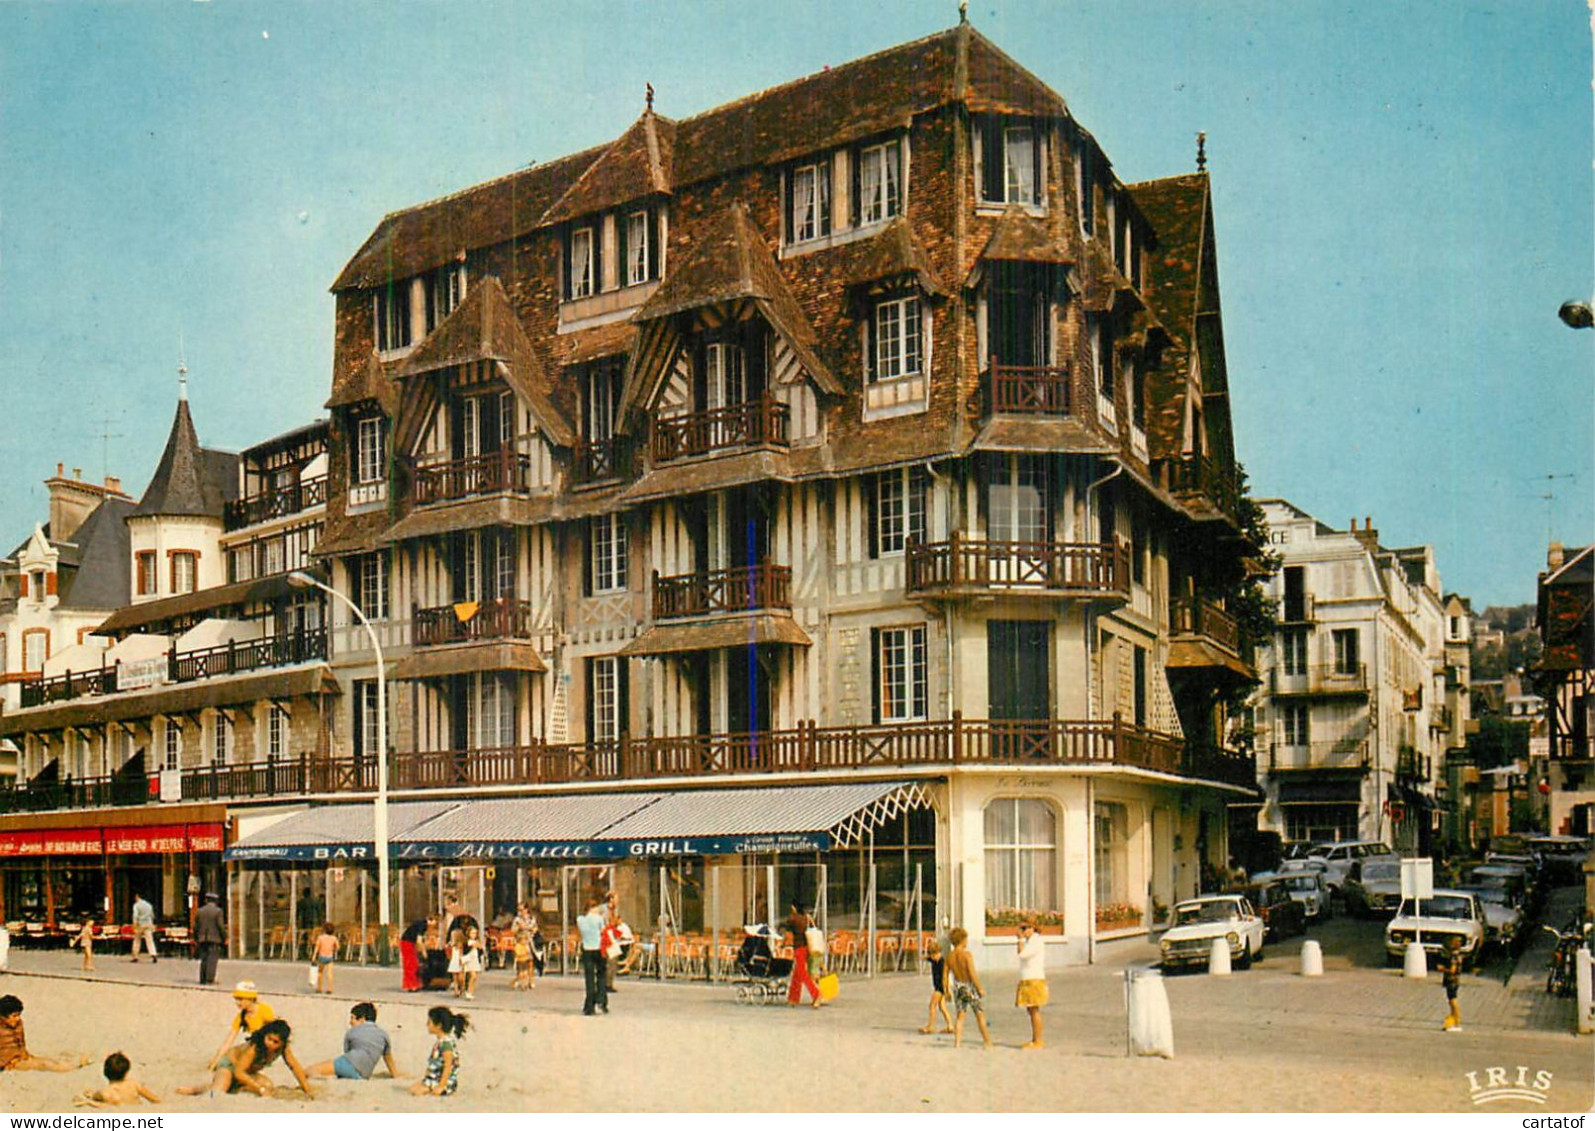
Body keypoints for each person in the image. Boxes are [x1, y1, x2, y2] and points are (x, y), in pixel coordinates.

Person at [177, 1019, 313, 1098]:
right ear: (265, 1035)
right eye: (269, 1039)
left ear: (282, 1042)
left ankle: (236, 1087)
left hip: (247, 1072)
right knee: (217, 1092)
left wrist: (307, 1089)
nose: (271, 1044)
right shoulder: (254, 1048)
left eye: (276, 1042)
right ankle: (194, 1090)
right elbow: (238, 1072)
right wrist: (258, 1089)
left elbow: (294, 1067)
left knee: (269, 1086)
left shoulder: (284, 1049)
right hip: (230, 1066)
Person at [306, 1002, 400, 1080]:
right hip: (363, 1075)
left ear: (362, 1019)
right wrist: (395, 1075)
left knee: (311, 1070)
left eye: (352, 1018)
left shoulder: (351, 1031)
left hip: (349, 1063)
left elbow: (347, 1053)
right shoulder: (384, 1034)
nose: (350, 1022)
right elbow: (389, 1060)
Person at [0, 995, 90, 1071]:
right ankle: (73, 1068)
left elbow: (21, 1042)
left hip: (20, 1056)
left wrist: (23, 1053)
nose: (18, 1018)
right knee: (44, 1065)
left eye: (19, 1015)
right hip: (9, 1063)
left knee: (47, 1060)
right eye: (14, 1016)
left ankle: (77, 1062)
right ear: (3, 1016)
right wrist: (7, 1062)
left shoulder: (18, 1023)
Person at [207, 982, 276, 1073]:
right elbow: (228, 1042)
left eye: (240, 999)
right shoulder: (241, 1016)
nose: (237, 1003)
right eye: (236, 999)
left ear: (251, 999)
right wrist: (214, 1062)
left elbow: (276, 1031)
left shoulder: (265, 1011)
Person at [944, 928, 993, 1049]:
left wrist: (946, 991)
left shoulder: (949, 957)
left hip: (958, 987)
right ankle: (987, 1042)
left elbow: (944, 976)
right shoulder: (966, 955)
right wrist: (979, 988)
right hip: (969, 986)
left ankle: (957, 1042)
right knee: (979, 1014)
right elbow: (972, 973)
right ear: (962, 940)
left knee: (960, 1016)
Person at [410, 1006, 469, 1097]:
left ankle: (440, 1089)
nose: (427, 1025)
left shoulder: (446, 1044)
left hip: (442, 1080)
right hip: (434, 1077)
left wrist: (441, 1085)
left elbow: (448, 1066)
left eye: (429, 1022)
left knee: (417, 1091)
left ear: (439, 1025)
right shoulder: (441, 1041)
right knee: (413, 1088)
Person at [74, 1052, 159, 1106]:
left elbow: (97, 1099)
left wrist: (89, 1099)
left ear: (105, 1073)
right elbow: (156, 1100)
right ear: (126, 1072)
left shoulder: (105, 1093)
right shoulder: (134, 1085)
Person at [1014, 918, 1048, 1049]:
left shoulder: (1036, 940)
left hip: (1034, 978)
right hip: (1027, 977)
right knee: (1030, 1009)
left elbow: (1022, 954)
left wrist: (1020, 940)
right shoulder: (1031, 941)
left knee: (1034, 1009)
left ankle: (1038, 1040)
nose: (1022, 931)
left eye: (1025, 928)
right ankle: (1035, 1039)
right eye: (1021, 928)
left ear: (1032, 928)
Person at [784, 901, 824, 1008]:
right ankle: (793, 998)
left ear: (794, 908)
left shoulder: (793, 919)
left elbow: (787, 931)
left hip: (799, 948)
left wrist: (783, 943)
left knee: (802, 973)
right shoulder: (807, 918)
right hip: (808, 947)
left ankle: (816, 994)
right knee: (797, 973)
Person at [577, 893, 609, 1016]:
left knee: (589, 978)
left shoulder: (580, 919)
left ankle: (589, 1005)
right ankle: (601, 998)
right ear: (594, 908)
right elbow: (603, 931)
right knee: (601, 975)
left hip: (587, 949)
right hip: (598, 948)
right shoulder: (598, 919)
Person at [919, 938, 952, 1034]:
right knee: (942, 1007)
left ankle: (930, 1026)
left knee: (932, 1005)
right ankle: (950, 1025)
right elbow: (928, 958)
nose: (932, 958)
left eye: (933, 955)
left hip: (940, 988)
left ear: (937, 953)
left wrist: (946, 991)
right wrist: (924, 957)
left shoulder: (942, 963)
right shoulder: (934, 960)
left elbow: (944, 978)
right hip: (938, 987)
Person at [195, 893, 225, 986]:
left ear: (206, 900)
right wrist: (225, 936)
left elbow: (196, 926)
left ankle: (202, 978)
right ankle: (210, 979)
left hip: (202, 938)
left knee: (204, 958)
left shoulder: (200, 911)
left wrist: (196, 937)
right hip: (214, 938)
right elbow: (220, 926)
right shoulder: (218, 911)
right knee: (212, 959)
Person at [399, 915, 433, 993]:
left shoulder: (422, 924)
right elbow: (419, 941)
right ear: (431, 920)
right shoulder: (422, 925)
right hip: (407, 943)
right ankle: (411, 985)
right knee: (410, 964)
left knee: (414, 964)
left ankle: (415, 984)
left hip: (410, 943)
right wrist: (423, 952)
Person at [1438, 934, 1464, 1032]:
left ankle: (1456, 1022)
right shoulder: (1459, 955)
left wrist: (1443, 969)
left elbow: (1452, 970)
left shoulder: (1453, 956)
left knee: (1453, 1000)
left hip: (1451, 980)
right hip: (1455, 980)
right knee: (1452, 1000)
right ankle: (1453, 1020)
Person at [129, 893, 157, 963]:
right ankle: (153, 953)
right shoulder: (149, 905)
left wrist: (134, 925)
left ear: (137, 896)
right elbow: (152, 915)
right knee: (150, 940)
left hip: (140, 925)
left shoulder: (136, 905)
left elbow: (135, 916)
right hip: (148, 923)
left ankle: (135, 956)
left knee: (137, 940)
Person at [459, 925, 484, 1000]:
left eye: (475, 933)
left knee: (475, 977)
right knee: (473, 976)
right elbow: (467, 949)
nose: (474, 935)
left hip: (475, 960)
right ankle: (468, 991)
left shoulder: (476, 941)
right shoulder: (467, 942)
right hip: (469, 960)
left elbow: (480, 949)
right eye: (472, 933)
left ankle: (471, 992)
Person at [314, 923, 339, 994]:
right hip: (329, 957)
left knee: (320, 972)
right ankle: (329, 988)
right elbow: (337, 947)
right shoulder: (334, 938)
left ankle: (319, 988)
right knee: (329, 973)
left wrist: (314, 956)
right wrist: (333, 948)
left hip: (321, 956)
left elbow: (317, 947)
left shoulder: (320, 937)